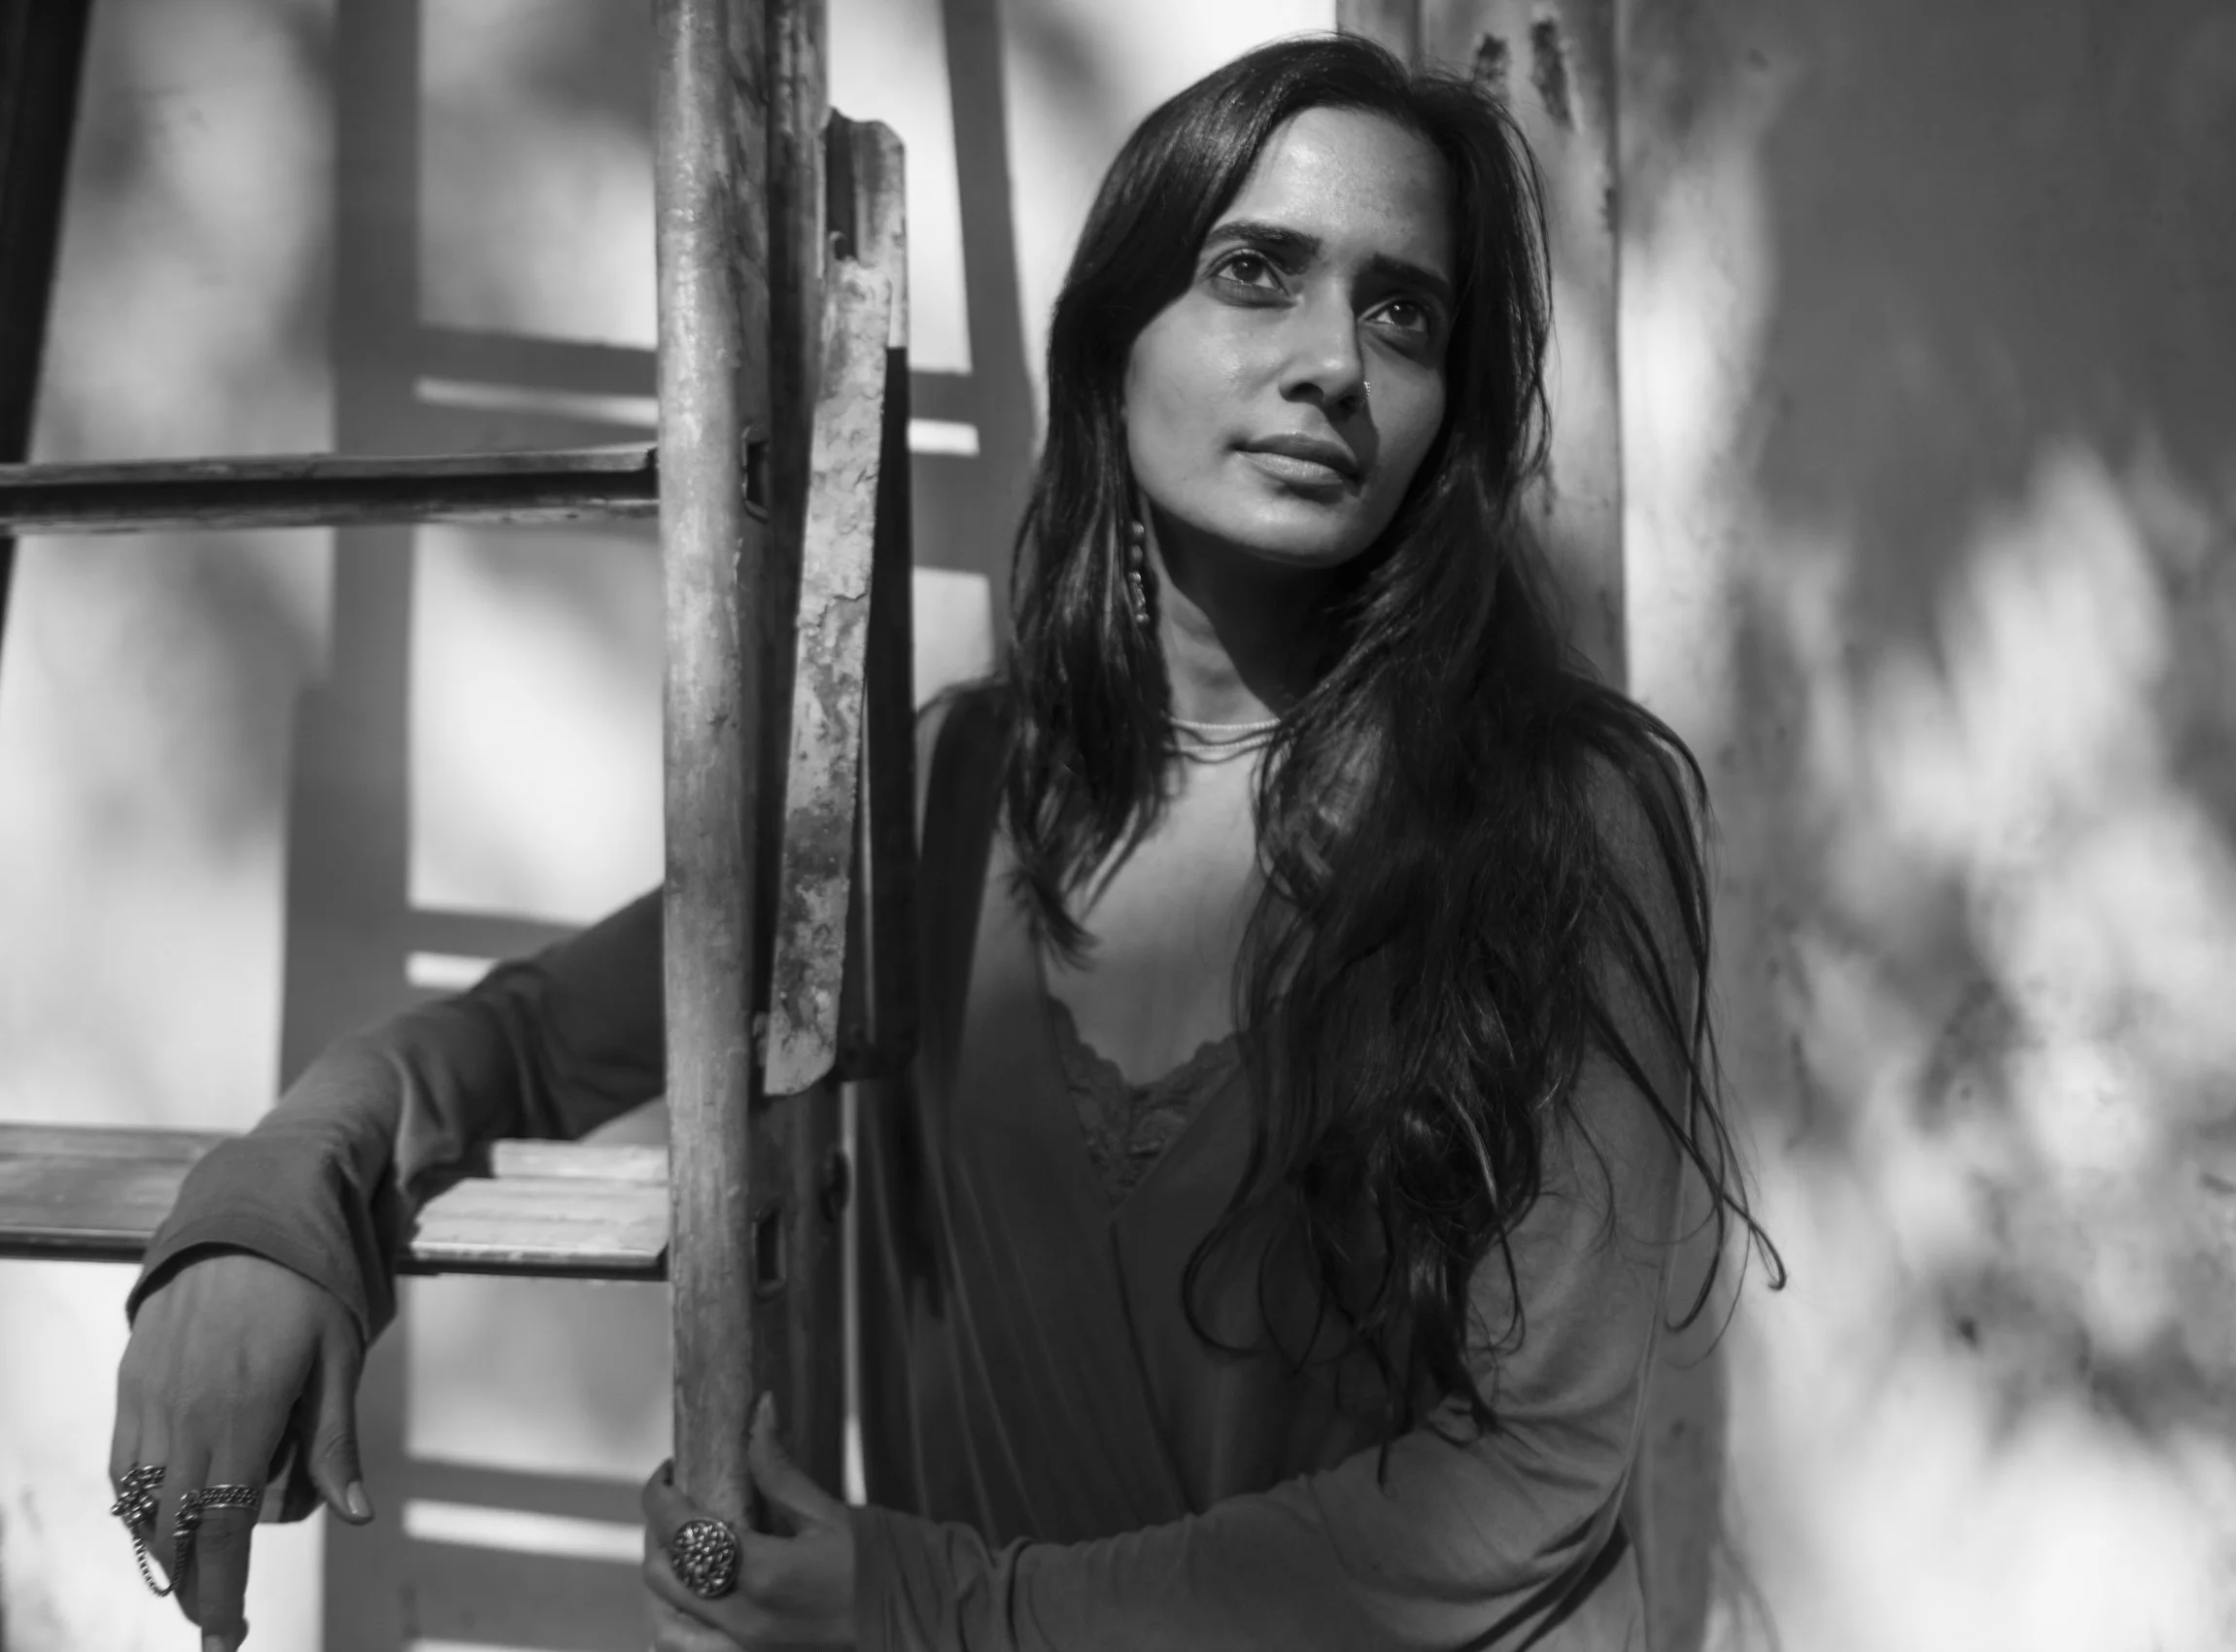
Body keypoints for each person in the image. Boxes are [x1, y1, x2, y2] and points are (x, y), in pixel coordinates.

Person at [109, 32, 1777, 1652]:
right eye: (1255, 272)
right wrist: (269, 1205)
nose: (1336, 360)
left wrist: (931, 1611)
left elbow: (1531, 1479)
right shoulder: (938, 797)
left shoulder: (1556, 819)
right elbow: (535, 1042)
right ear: (1111, 343)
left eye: (1402, 312)